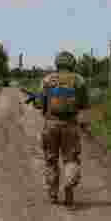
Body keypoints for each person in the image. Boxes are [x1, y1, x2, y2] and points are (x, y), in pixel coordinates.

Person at [36, 54, 89, 205]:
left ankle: (53, 194)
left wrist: (40, 105)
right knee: (71, 159)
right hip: (71, 125)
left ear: (57, 63)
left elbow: (40, 104)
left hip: (51, 125)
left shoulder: (47, 80)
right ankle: (69, 184)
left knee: (51, 159)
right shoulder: (79, 80)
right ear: (72, 63)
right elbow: (84, 104)